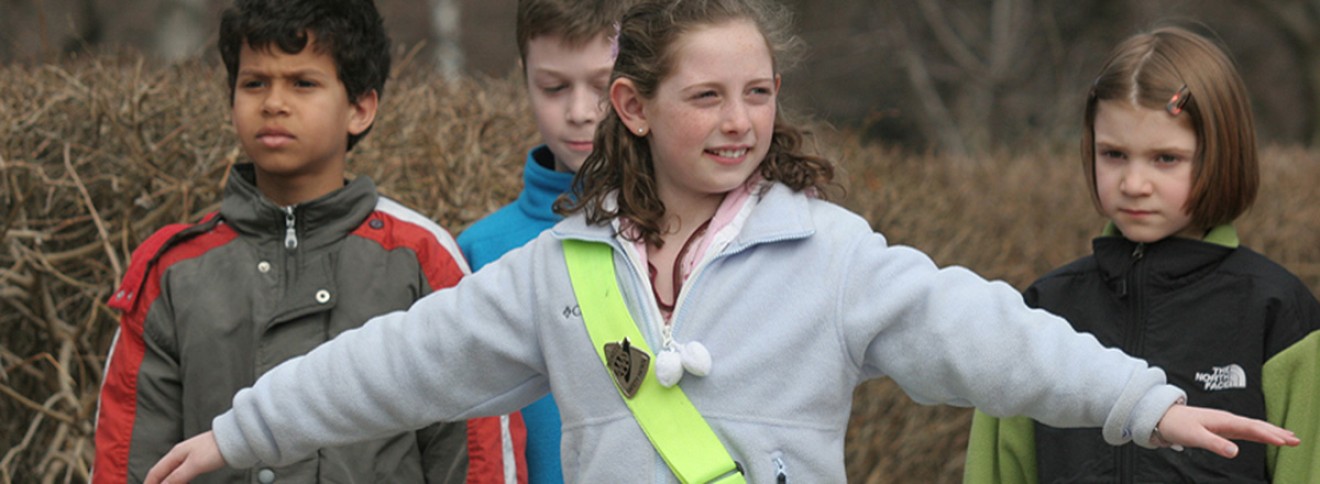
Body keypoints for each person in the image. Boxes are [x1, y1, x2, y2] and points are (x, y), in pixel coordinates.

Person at [143, 2, 1301, 482]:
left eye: (759, 91)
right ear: (636, 109)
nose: (743, 121)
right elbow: (394, 363)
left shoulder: (833, 253)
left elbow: (991, 333)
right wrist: (242, 434)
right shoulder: (561, 270)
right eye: (710, 97)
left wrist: (1142, 403)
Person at [91, 0, 517, 482]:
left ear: (360, 107)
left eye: (303, 83)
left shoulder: (420, 260)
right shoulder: (173, 271)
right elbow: (128, 458)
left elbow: (475, 452)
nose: (273, 102)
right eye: (254, 83)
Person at [963, 26, 1320, 483]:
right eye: (1113, 154)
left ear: (1221, 155)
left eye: (1165, 158)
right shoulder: (1044, 310)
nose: (1133, 183)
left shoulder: (1278, 312)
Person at [455, 1, 632, 482]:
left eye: (603, 86)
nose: (580, 113)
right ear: (524, 77)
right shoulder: (478, 250)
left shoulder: (694, 231)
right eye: (554, 87)